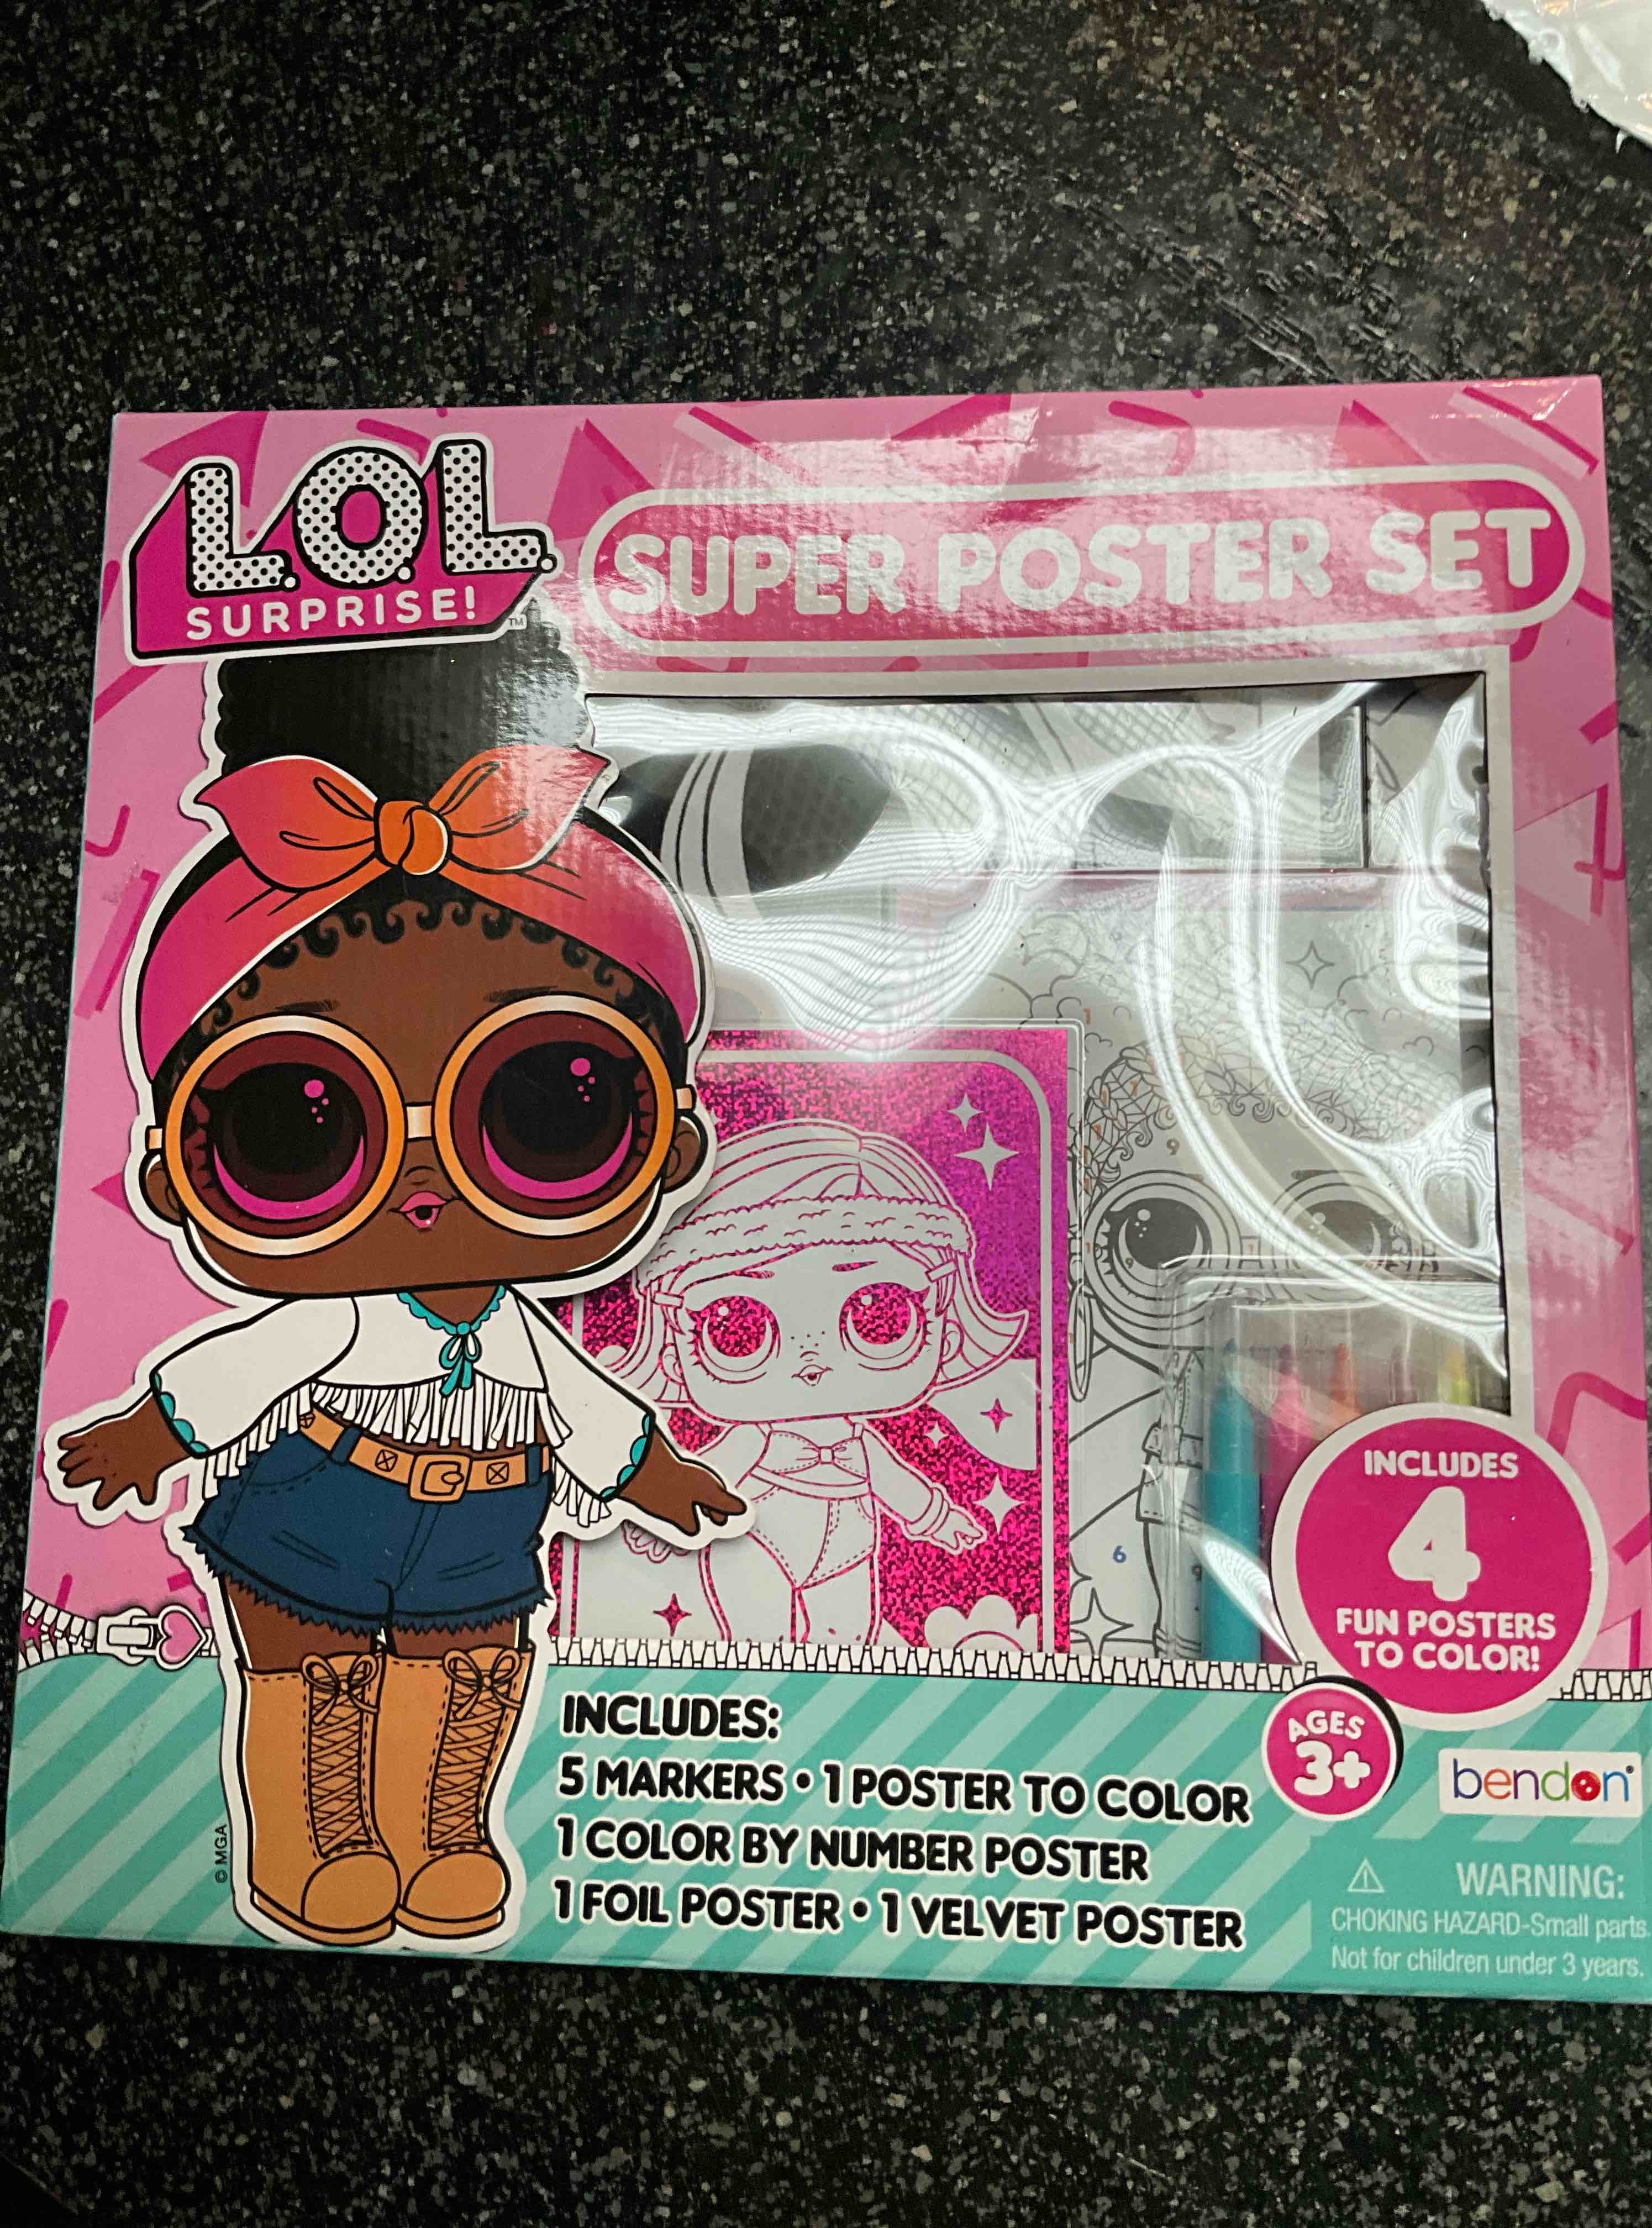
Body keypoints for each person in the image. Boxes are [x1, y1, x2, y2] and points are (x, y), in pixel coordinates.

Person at [51, 619, 743, 1949]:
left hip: (487, 1522)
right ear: (173, 1174)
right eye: (298, 1132)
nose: (424, 1193)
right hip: (321, 1501)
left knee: (471, 1681)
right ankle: (317, 1849)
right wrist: (152, 1434)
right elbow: (243, 1367)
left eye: (548, 1109)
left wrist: (656, 1476)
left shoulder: (521, 1334)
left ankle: (444, 1842)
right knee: (314, 1690)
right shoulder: (335, 1318)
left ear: (671, 1145)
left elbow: (585, 1409)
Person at [614, 1120, 1026, 1644]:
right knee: (758, 1638)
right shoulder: (753, 1440)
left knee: (849, 1637)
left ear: (943, 1322)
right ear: (676, 1346)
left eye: (879, 1313)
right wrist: (665, 1510)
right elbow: (704, 1477)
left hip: (851, 1545)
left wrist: (938, 1518)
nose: (811, 1363)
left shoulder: (860, 1444)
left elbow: (896, 1482)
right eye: (737, 1323)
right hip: (756, 1538)